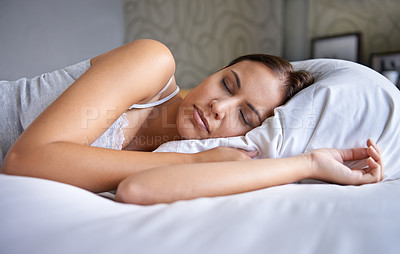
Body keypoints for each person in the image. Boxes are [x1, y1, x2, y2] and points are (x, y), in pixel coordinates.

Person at [0, 39, 383, 205]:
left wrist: (311, 163)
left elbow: (138, 188)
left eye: (244, 115)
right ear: (211, 74)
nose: (220, 106)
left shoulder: (188, 152)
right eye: (227, 84)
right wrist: (196, 161)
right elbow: (25, 161)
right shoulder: (152, 61)